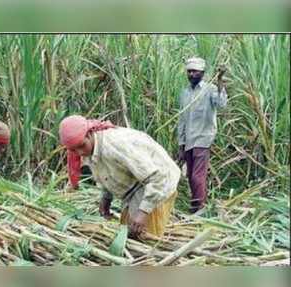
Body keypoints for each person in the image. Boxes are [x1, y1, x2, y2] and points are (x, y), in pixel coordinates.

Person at [59, 115, 180, 238]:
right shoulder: (91, 148)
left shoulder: (115, 146)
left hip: (158, 182)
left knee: (144, 237)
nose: (79, 152)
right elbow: (108, 172)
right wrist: (106, 199)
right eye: (73, 150)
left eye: (82, 146)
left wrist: (143, 212)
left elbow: (157, 177)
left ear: (90, 134)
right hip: (134, 185)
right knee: (127, 234)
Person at [177, 57, 227, 213]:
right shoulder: (185, 93)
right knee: (191, 175)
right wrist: (181, 143)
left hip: (203, 138)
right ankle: (196, 204)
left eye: (195, 71)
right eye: (189, 71)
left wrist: (219, 81)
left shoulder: (210, 89)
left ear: (202, 73)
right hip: (188, 141)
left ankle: (199, 208)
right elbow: (182, 119)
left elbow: (221, 104)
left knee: (197, 176)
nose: (191, 74)